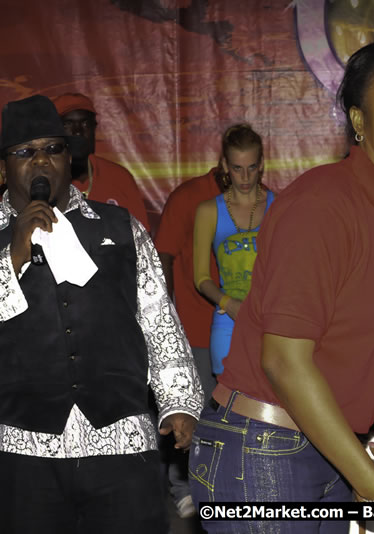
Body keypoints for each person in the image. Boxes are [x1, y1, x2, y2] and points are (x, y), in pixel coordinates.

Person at [188, 37, 374, 533]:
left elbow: (352, 349)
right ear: (358, 121)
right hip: (263, 450)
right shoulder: (323, 205)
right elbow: (283, 362)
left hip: (326, 447)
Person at [0, 95, 203, 533]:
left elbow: (157, 318)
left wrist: (179, 403)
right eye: (25, 152)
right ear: (3, 168)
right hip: (23, 448)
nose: (41, 161)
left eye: (53, 149)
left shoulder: (120, 227)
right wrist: (11, 257)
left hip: (122, 442)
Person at [154, 164, 223, 519]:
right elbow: (161, 254)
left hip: (240, 330)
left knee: (227, 415)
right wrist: (168, 312)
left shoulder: (261, 200)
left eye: (252, 166)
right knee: (190, 412)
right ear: (222, 161)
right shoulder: (189, 197)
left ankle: (220, 487)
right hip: (195, 325)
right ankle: (183, 488)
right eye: (235, 165)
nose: (242, 173)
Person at [193, 124, 273, 375]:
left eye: (251, 168)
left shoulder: (279, 207)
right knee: (231, 409)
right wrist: (230, 304)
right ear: (225, 166)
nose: (246, 177)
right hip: (228, 321)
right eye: (238, 169)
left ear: (261, 164)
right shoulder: (208, 211)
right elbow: (201, 278)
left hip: (271, 320)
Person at [51, 92, 151, 231]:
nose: (78, 131)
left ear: (94, 128)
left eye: (85, 123)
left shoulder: (118, 177)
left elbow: (142, 238)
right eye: (68, 124)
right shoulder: (43, 179)